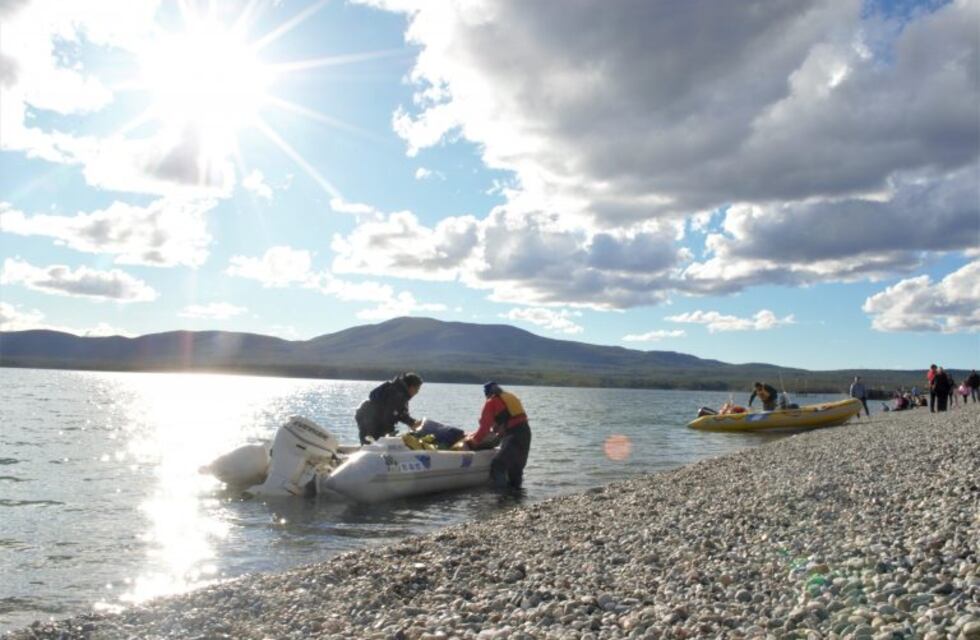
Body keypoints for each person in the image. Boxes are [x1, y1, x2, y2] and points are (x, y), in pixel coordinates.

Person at [465, 382, 531, 490]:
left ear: (487, 394)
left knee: (498, 465)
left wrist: (473, 441)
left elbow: (484, 429)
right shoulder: (511, 397)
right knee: (516, 469)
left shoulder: (491, 402)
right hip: (525, 433)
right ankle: (517, 499)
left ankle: (501, 499)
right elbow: (513, 419)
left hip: (513, 436)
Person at [355, 373, 423, 445]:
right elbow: (389, 416)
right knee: (373, 444)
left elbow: (400, 413)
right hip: (370, 418)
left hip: (366, 414)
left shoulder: (398, 391)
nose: (417, 392)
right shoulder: (398, 394)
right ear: (411, 386)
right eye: (417, 389)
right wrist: (391, 433)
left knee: (372, 442)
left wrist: (412, 422)